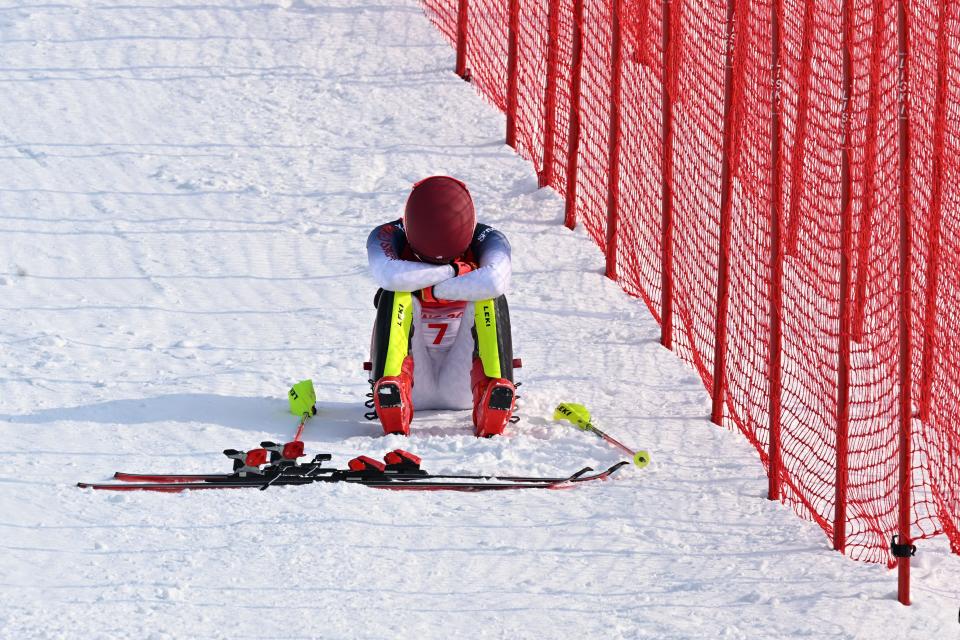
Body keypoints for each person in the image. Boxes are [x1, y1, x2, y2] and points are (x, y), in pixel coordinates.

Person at [365, 175, 516, 437]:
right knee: (396, 294)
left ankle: (492, 392)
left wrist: (425, 284)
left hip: (463, 378)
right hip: (413, 378)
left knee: (490, 297)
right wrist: (456, 270)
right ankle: (392, 391)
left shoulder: (489, 238)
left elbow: (494, 280)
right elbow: (391, 275)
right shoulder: (387, 235)